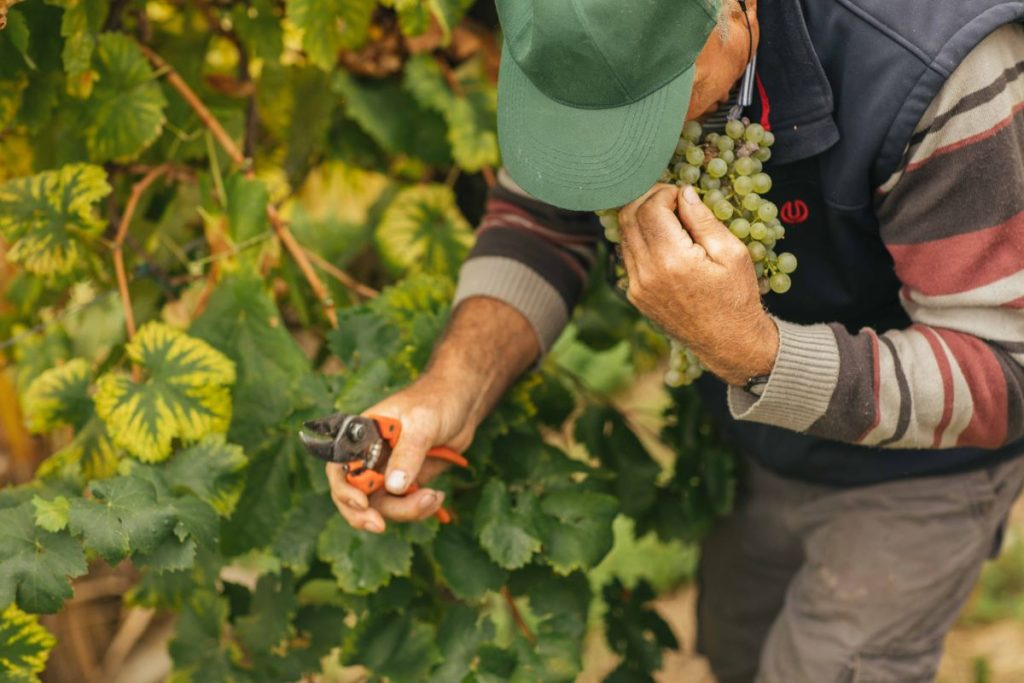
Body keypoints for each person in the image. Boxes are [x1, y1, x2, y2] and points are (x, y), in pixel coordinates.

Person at [326, 0, 1024, 679]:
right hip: (761, 442)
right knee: (737, 649)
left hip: (927, 463)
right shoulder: (574, 33)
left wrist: (758, 356)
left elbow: (1010, 365)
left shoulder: (932, 65)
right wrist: (450, 391)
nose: (627, 154)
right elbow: (545, 214)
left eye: (650, 104)